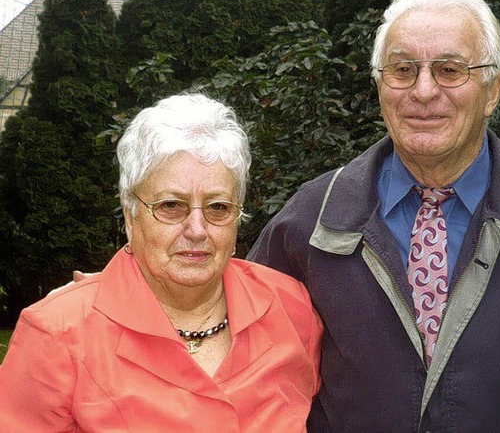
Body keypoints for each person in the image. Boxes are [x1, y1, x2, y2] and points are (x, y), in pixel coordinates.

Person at [247, 0, 500, 432]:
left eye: (450, 70)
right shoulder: (308, 224)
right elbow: (252, 377)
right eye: (402, 69)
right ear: (380, 85)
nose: (424, 91)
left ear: (493, 89)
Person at [0, 93, 323, 432]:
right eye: (171, 206)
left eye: (217, 207)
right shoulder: (57, 334)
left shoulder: (291, 308)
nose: (197, 230)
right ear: (130, 216)